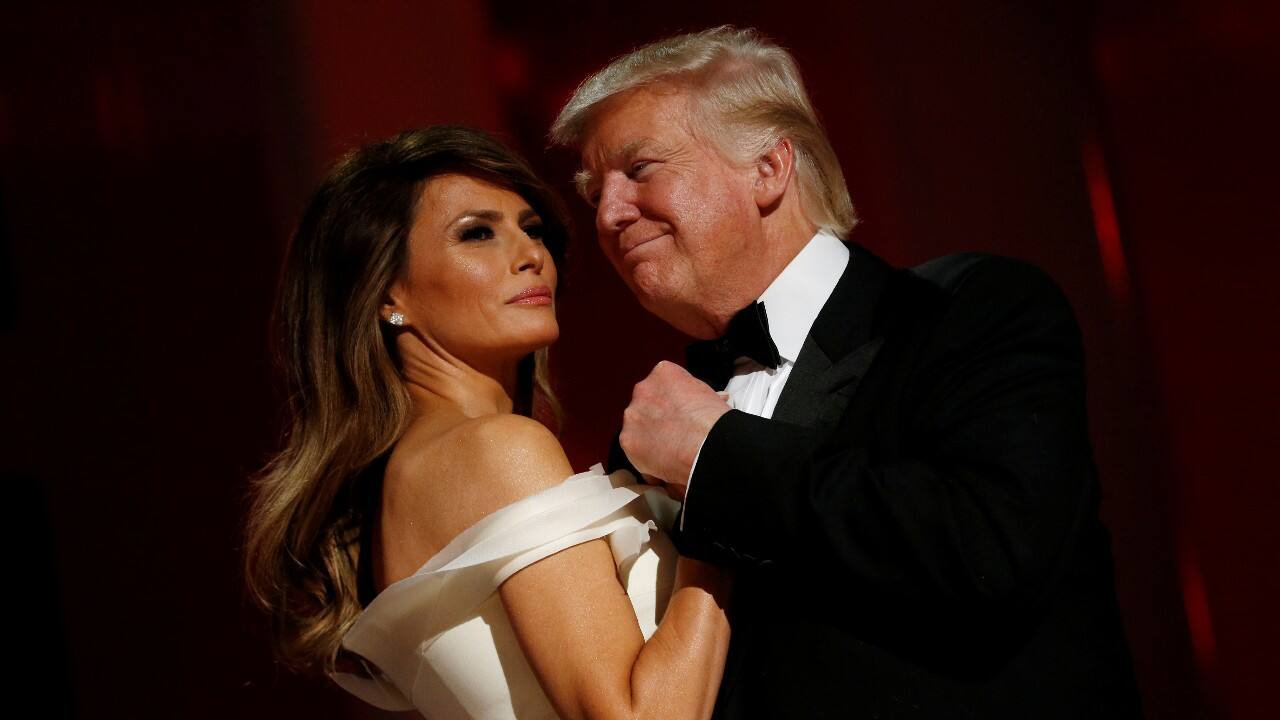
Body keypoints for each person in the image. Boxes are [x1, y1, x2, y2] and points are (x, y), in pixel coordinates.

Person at [551, 26, 1142, 718]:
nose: (609, 214)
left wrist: (717, 456)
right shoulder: (654, 428)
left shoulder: (971, 312)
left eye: (640, 168)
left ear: (769, 169)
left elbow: (990, 550)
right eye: (596, 193)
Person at [243, 126, 731, 720]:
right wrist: (722, 507)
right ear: (386, 293)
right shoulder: (497, 449)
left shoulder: (410, 474)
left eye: (531, 229)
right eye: (477, 234)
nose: (530, 255)